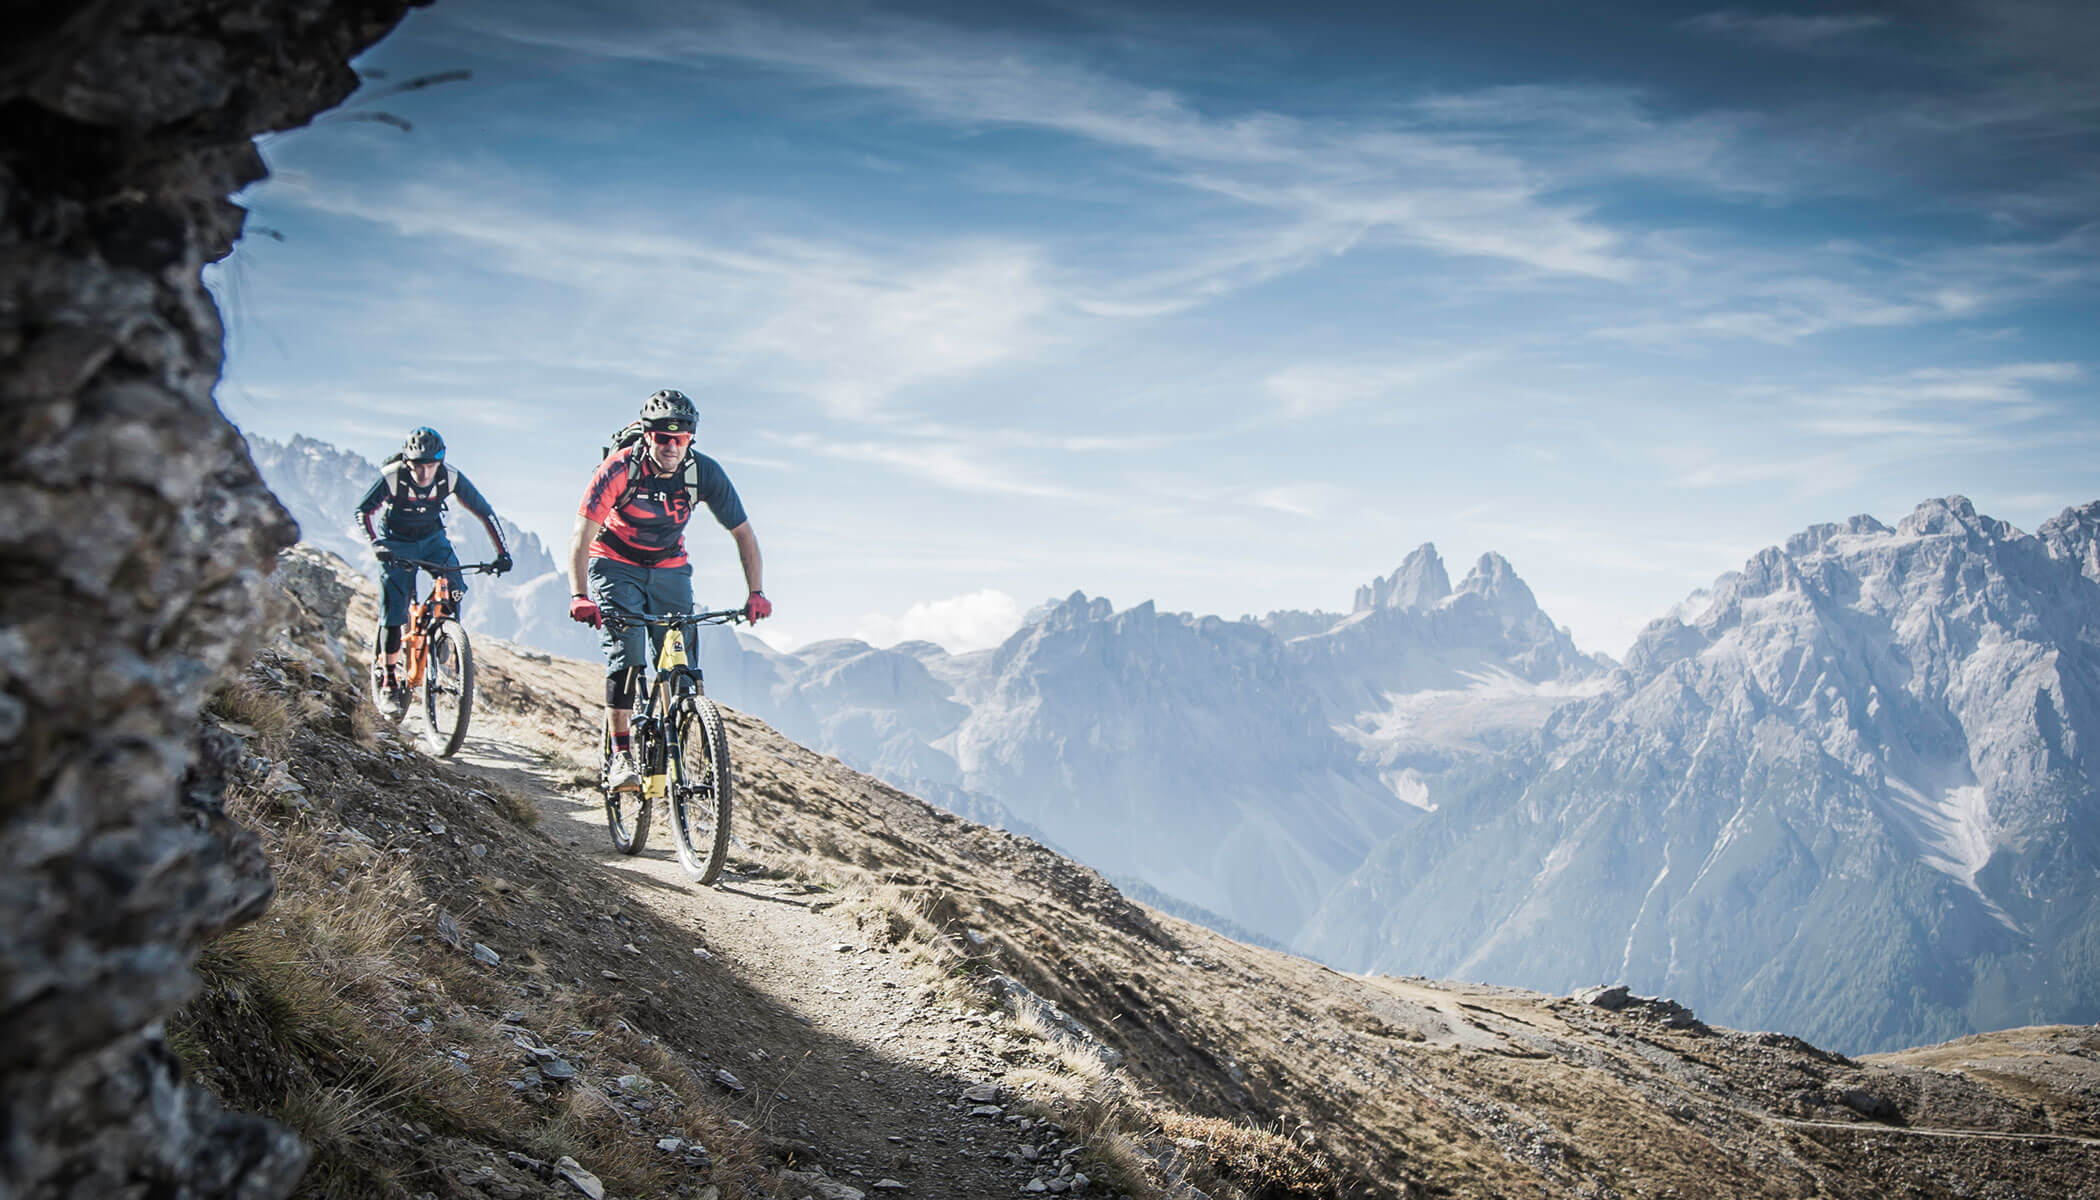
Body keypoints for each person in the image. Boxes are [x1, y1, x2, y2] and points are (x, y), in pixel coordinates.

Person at [566, 390, 769, 790]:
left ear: (691, 438)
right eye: (663, 437)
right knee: (627, 656)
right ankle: (621, 758)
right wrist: (579, 595)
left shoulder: (703, 472)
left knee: (682, 667)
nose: (672, 446)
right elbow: (582, 533)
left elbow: (744, 534)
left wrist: (756, 591)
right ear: (647, 436)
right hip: (613, 562)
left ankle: (685, 737)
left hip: (669, 568)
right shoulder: (618, 468)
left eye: (681, 438)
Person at [355, 426, 513, 714]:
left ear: (439, 462)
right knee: (394, 610)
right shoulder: (392, 476)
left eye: (431, 465)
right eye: (417, 466)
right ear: (407, 462)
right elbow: (362, 511)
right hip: (396, 543)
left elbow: (485, 511)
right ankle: (389, 682)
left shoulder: (449, 476)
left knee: (454, 588)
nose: (424, 473)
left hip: (432, 541)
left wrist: (502, 553)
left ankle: (442, 635)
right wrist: (376, 544)